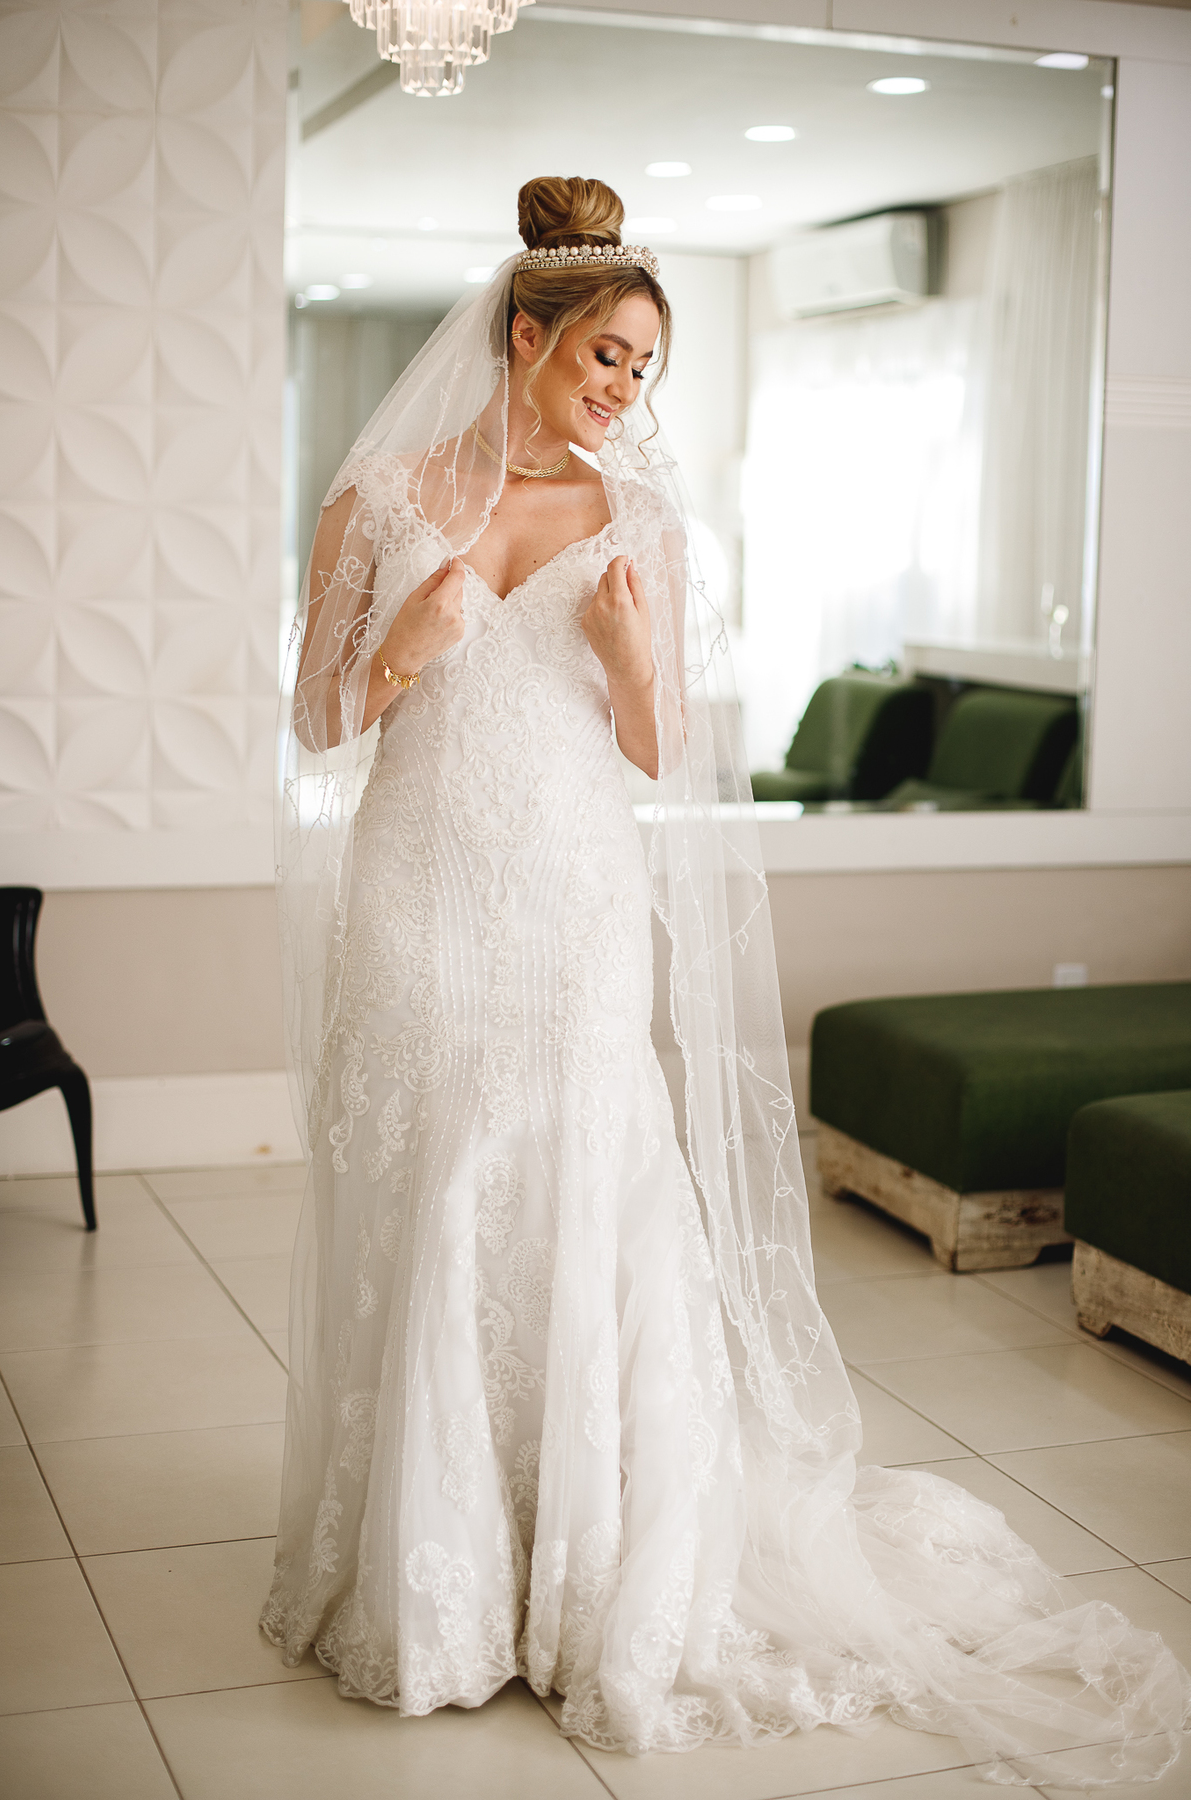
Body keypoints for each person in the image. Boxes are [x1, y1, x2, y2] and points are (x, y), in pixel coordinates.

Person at [262, 175, 1188, 1784]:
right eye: (606, 356)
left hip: (574, 903)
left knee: (578, 1190)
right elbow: (314, 719)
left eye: (645, 368)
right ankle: (441, 1565)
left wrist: (633, 665)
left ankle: (591, 1550)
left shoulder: (640, 520)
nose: (625, 391)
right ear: (525, 336)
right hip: (420, 899)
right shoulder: (386, 493)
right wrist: (408, 640)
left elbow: (659, 746)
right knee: (434, 1191)